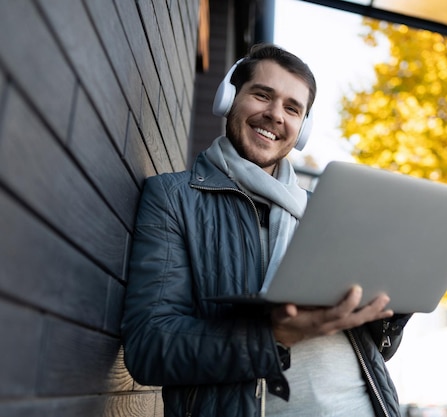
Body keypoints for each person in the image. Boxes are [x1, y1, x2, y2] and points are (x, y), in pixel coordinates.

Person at [121, 43, 412, 417]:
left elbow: (375, 350)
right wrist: (274, 337)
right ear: (228, 99)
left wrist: (390, 312)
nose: (276, 115)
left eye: (292, 108)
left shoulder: (326, 212)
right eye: (262, 95)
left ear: (301, 129)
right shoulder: (174, 198)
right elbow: (150, 347)